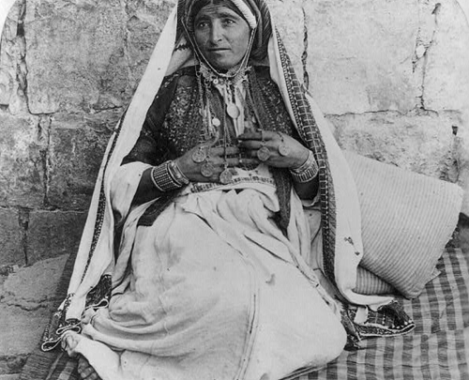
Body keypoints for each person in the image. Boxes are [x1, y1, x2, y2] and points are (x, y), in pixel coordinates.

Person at [41, 0, 422, 379]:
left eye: (228, 21)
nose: (214, 36)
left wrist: (298, 159)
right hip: (181, 224)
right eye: (203, 24)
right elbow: (120, 184)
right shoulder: (168, 92)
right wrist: (178, 170)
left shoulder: (278, 93)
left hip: (261, 229)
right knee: (221, 302)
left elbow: (313, 198)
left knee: (321, 334)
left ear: (253, 29)